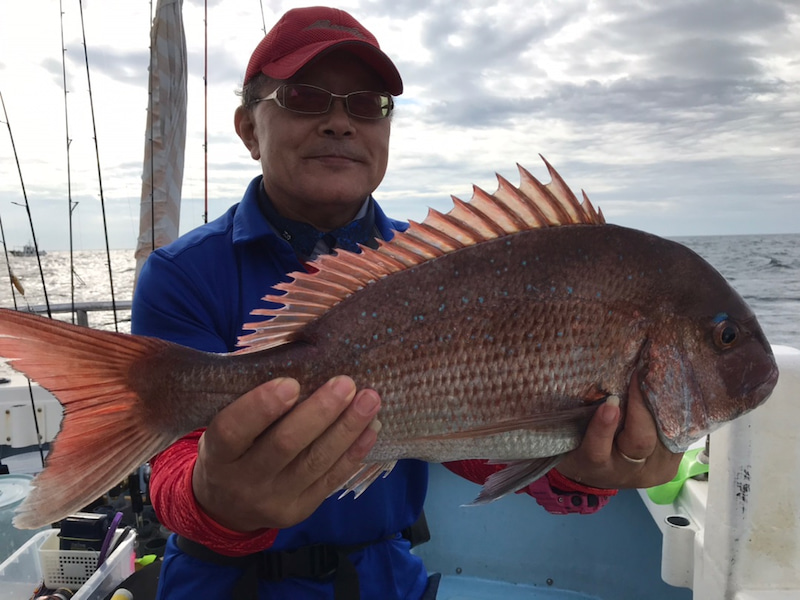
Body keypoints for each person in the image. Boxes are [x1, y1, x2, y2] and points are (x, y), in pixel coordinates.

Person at [131, 6, 682, 599]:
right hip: (226, 585)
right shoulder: (180, 273)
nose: (340, 122)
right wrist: (217, 502)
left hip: (385, 580)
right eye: (305, 97)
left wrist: (586, 469)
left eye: (367, 104)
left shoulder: (441, 265)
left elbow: (470, 438)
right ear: (247, 129)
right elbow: (168, 470)